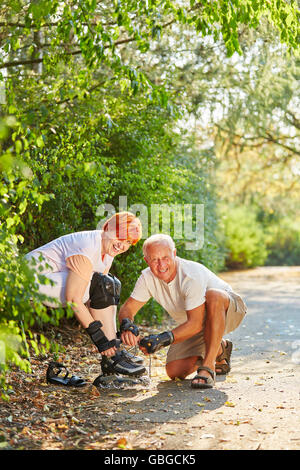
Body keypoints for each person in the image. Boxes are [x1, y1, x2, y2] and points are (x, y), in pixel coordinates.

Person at [25, 212, 146, 378]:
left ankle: (113, 356)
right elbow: (73, 300)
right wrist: (100, 339)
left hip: (50, 281)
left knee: (109, 284)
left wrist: (115, 336)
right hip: (28, 282)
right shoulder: (89, 246)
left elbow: (97, 300)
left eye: (128, 242)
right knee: (100, 284)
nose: (122, 246)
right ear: (107, 229)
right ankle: (112, 358)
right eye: (120, 237)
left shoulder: (107, 253)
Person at [118, 234, 247, 389]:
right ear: (146, 260)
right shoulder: (147, 277)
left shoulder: (190, 274)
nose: (161, 265)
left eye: (165, 257)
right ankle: (220, 348)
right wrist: (127, 326)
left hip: (228, 310)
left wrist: (161, 339)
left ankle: (208, 367)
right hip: (197, 322)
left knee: (214, 295)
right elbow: (128, 308)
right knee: (174, 371)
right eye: (154, 259)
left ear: (174, 254)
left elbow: (195, 324)